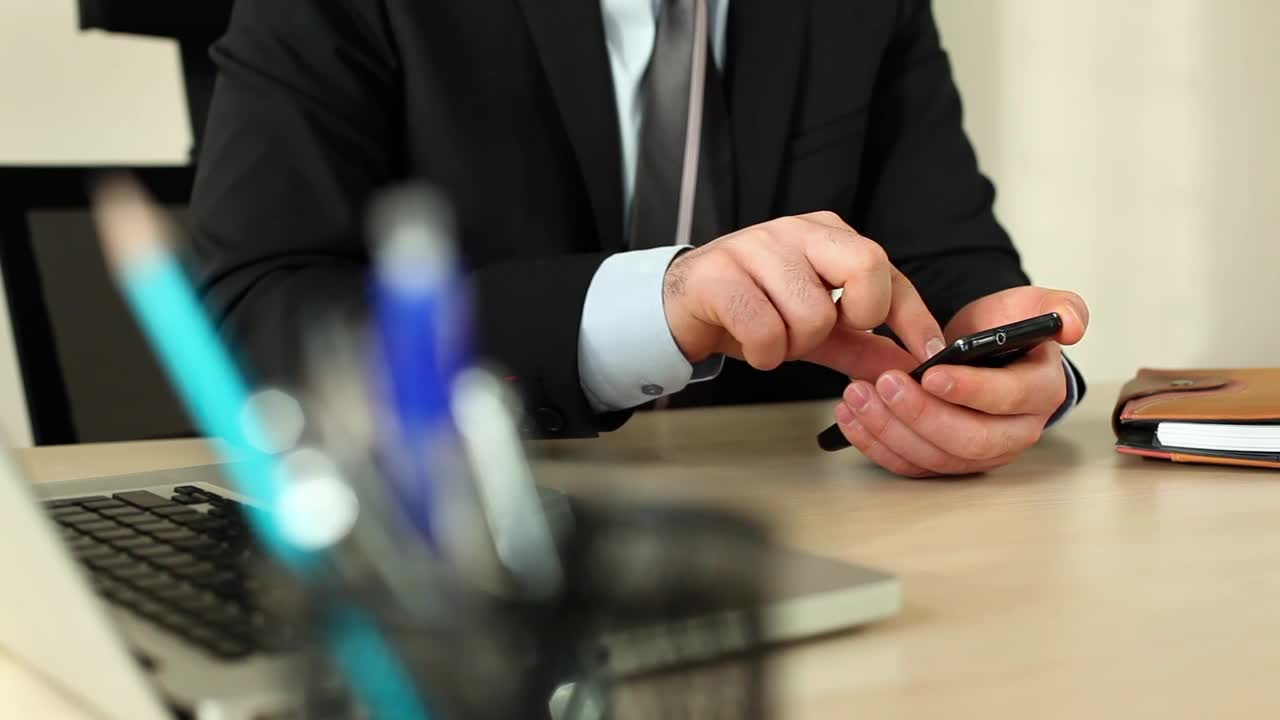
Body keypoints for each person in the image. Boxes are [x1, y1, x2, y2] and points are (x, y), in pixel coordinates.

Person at [190, 0, 1089, 478]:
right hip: (446, 560)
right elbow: (256, 308)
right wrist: (657, 305)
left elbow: (953, 266)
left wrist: (1011, 381)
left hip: (785, 538)